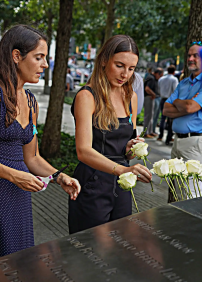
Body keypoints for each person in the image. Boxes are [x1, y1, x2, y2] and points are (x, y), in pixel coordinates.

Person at [0, 25, 81, 282]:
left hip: (18, 201)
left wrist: (59, 177)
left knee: (16, 269)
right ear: (16, 56)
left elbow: (31, 158)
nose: (45, 64)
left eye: (45, 57)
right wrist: (11, 175)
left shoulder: (31, 101)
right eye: (39, 57)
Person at [68, 35, 152, 234]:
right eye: (120, 65)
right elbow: (83, 151)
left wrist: (132, 149)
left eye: (131, 69)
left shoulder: (130, 95)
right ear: (104, 60)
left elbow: (124, 150)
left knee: (119, 248)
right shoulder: (87, 96)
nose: (125, 74)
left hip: (122, 184)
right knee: (89, 248)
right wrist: (121, 170)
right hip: (93, 183)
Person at [163, 41, 202, 200]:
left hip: (197, 143)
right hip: (178, 141)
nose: (191, 58)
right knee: (176, 192)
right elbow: (166, 109)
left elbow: (188, 107)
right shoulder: (184, 83)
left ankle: (191, 225)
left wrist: (181, 103)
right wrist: (186, 104)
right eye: (189, 55)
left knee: (190, 193)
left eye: (196, 55)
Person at [157, 65, 178, 145]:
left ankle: (160, 135)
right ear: (173, 71)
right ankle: (168, 137)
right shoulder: (174, 79)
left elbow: (159, 89)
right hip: (170, 100)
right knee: (170, 120)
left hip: (162, 99)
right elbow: (175, 90)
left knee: (162, 118)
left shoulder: (161, 79)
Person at [143, 68, 163, 138]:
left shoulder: (152, 78)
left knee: (151, 116)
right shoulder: (151, 78)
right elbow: (147, 88)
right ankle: (145, 132)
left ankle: (150, 131)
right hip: (148, 97)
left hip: (150, 98)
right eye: (160, 76)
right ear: (157, 74)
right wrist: (153, 94)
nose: (159, 78)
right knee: (148, 116)